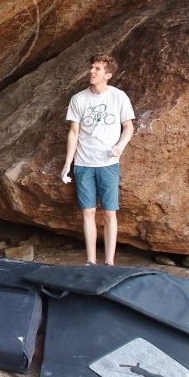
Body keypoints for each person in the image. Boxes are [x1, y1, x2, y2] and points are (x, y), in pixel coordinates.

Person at [61, 54, 135, 266]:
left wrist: (120, 146)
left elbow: (128, 126)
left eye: (98, 69)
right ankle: (91, 261)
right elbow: (73, 133)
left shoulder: (118, 97)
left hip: (108, 164)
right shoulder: (78, 99)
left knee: (110, 213)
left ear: (108, 75)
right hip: (84, 163)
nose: (92, 72)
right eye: (92, 67)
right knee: (88, 212)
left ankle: (109, 262)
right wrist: (68, 163)